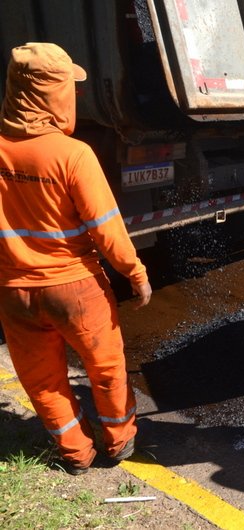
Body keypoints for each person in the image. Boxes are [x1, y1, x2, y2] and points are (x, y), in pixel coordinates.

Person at [0, 43, 152, 474]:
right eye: (69, 86)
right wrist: (136, 275)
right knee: (106, 369)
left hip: (14, 291)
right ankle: (119, 441)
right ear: (51, 93)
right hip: (76, 287)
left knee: (42, 381)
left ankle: (75, 453)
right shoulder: (73, 155)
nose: (76, 94)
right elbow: (107, 229)